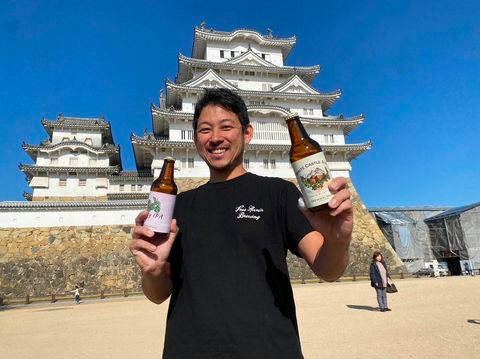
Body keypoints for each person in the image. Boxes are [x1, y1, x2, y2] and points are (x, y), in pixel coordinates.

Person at [130, 88, 354, 358]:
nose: (215, 138)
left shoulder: (279, 194)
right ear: (194, 139)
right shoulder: (177, 206)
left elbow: (328, 269)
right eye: (204, 130)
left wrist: (338, 241)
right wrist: (152, 270)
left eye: (226, 127)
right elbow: (157, 294)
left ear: (247, 133)